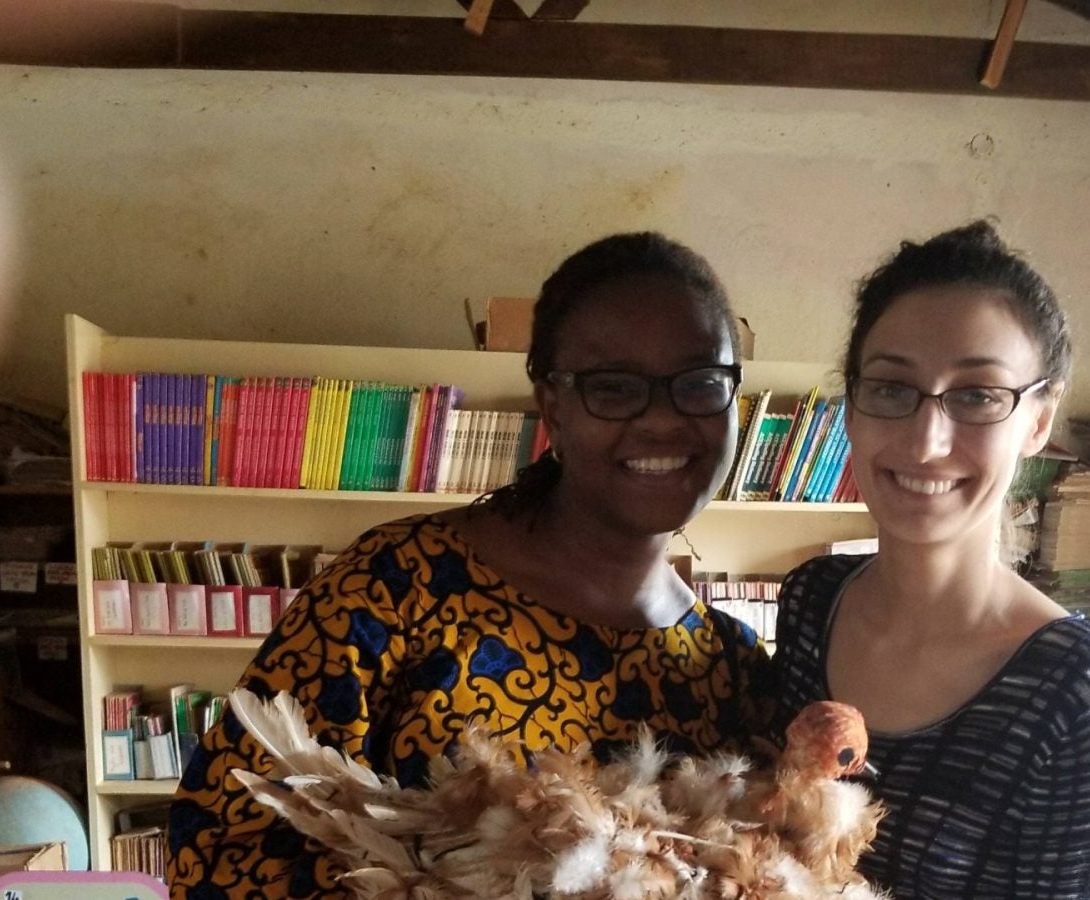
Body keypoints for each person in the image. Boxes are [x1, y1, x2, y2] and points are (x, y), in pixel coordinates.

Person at [166, 232, 769, 899]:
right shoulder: (396, 588)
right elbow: (219, 846)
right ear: (553, 407)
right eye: (615, 388)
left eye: (700, 382)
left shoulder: (731, 667)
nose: (662, 420)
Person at [769, 221, 1090, 898]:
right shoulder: (809, 603)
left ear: (1037, 419)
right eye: (890, 388)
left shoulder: (1076, 691)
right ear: (850, 405)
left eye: (976, 396)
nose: (927, 441)